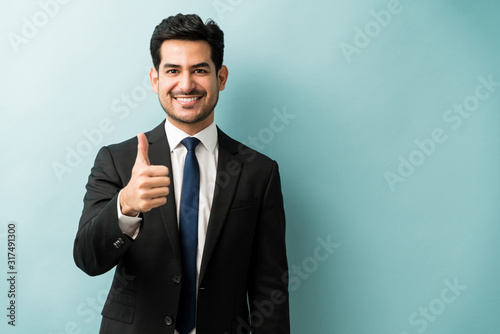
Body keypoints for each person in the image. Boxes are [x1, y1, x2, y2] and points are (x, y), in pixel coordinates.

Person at [73, 13, 290, 334]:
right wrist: (126, 205)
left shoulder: (259, 171)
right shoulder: (117, 160)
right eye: (173, 70)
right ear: (155, 79)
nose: (186, 84)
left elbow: (270, 285)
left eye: (200, 70)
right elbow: (89, 260)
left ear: (222, 77)